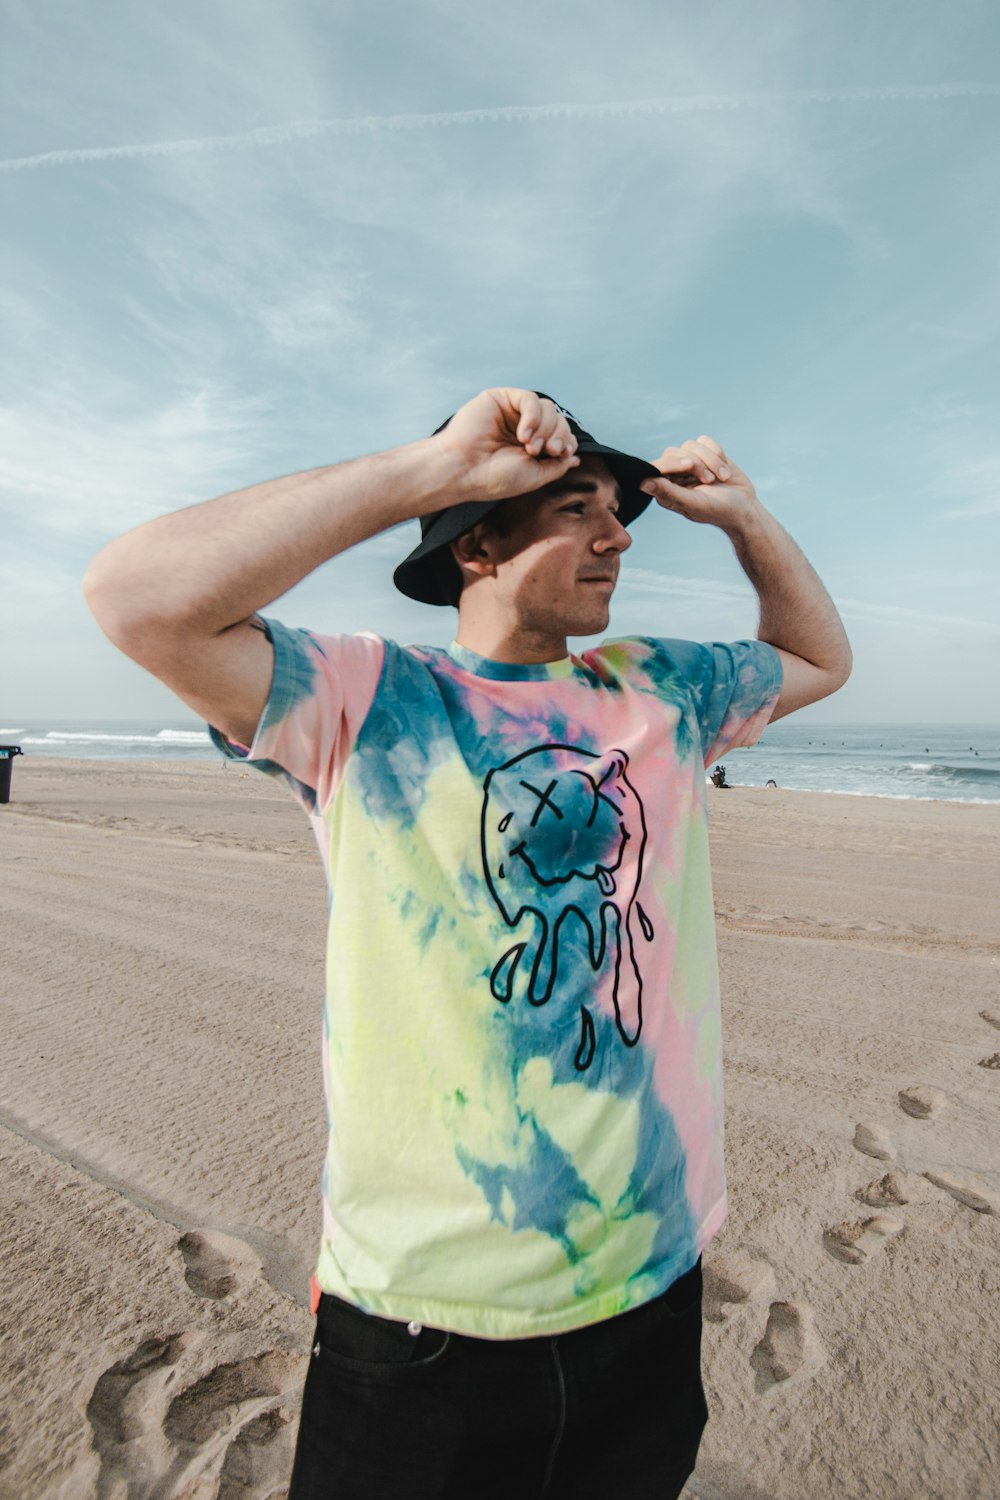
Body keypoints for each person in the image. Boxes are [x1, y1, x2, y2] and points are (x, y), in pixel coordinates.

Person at [84, 388, 851, 1499]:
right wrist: (433, 469)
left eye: (618, 512)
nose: (618, 535)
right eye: (576, 508)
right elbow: (136, 597)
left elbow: (819, 661)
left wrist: (745, 519)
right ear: (478, 539)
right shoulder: (366, 698)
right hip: (421, 1319)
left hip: (652, 1282)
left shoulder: (661, 688)